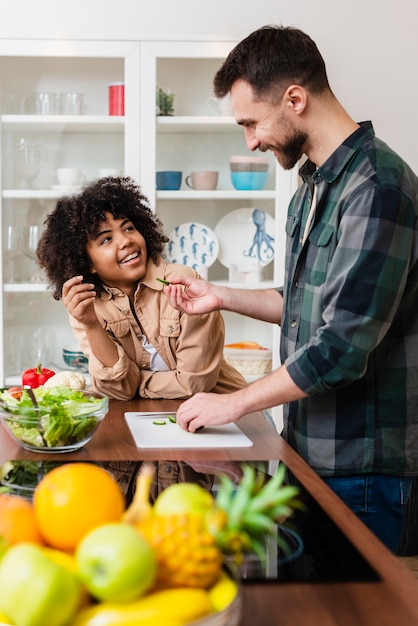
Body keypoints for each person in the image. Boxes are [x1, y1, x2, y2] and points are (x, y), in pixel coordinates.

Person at [163, 25, 418, 553]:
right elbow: (303, 303)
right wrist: (222, 296)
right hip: (307, 450)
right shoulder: (312, 187)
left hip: (363, 469)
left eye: (251, 122)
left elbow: (340, 350)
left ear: (294, 99)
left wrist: (230, 405)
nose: (251, 141)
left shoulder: (379, 188)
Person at [36, 175, 247, 401]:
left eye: (128, 228)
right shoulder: (86, 309)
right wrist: (91, 324)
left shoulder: (183, 282)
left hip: (234, 416)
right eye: (106, 239)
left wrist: (137, 383)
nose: (126, 240)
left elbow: (194, 384)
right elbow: (118, 390)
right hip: (156, 419)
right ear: (86, 262)